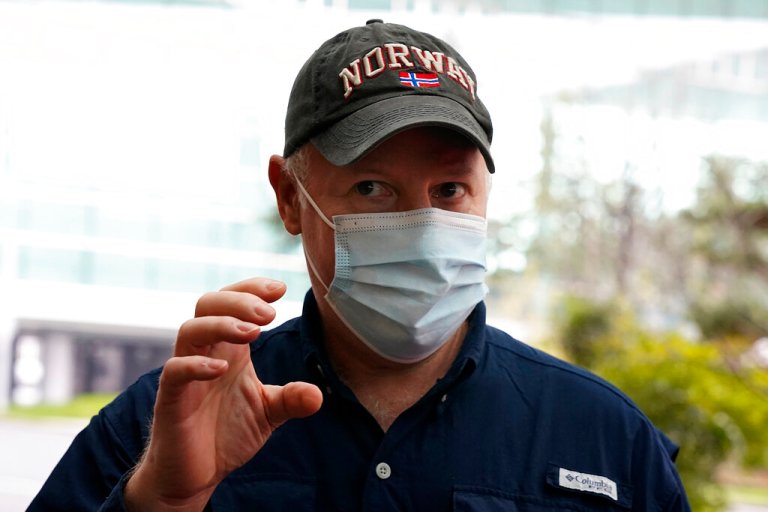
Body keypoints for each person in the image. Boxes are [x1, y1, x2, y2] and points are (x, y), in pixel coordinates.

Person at [29, 19, 690, 511]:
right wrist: (162, 501)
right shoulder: (161, 426)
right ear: (291, 197)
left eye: (450, 190)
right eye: (372, 188)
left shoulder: (605, 438)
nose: (424, 228)